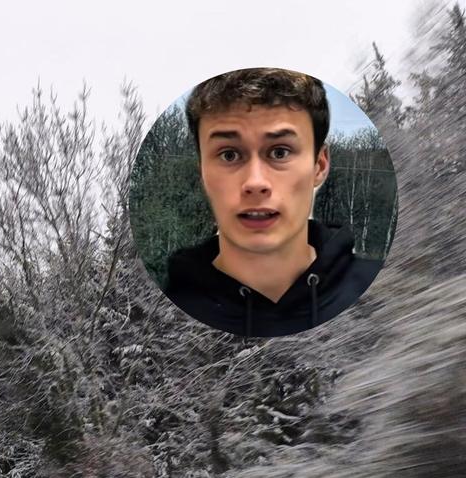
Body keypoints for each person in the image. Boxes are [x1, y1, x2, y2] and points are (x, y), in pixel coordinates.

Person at [163, 67, 383, 337]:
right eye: (229, 155)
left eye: (279, 152)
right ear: (202, 172)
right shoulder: (164, 318)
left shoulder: (381, 298)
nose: (255, 182)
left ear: (319, 165)